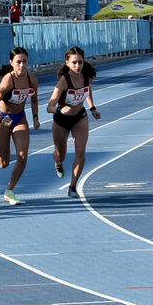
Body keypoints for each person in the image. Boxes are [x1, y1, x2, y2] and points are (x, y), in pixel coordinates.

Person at [46, 47, 100, 198]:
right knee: (60, 154)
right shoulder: (64, 81)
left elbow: (87, 90)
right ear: (67, 63)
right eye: (74, 63)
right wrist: (59, 109)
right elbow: (49, 106)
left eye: (80, 62)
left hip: (80, 117)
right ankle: (57, 162)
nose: (77, 66)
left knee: (81, 150)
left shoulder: (87, 77)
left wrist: (92, 108)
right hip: (61, 120)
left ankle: (73, 186)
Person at [0, 47, 39, 205]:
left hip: (19, 118)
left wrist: (35, 117)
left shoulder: (32, 80)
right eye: (18, 62)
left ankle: (10, 191)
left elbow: (34, 100)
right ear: (11, 63)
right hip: (1, 118)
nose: (22, 65)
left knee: (23, 156)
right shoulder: (8, 80)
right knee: (3, 164)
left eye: (24, 61)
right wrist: (2, 120)